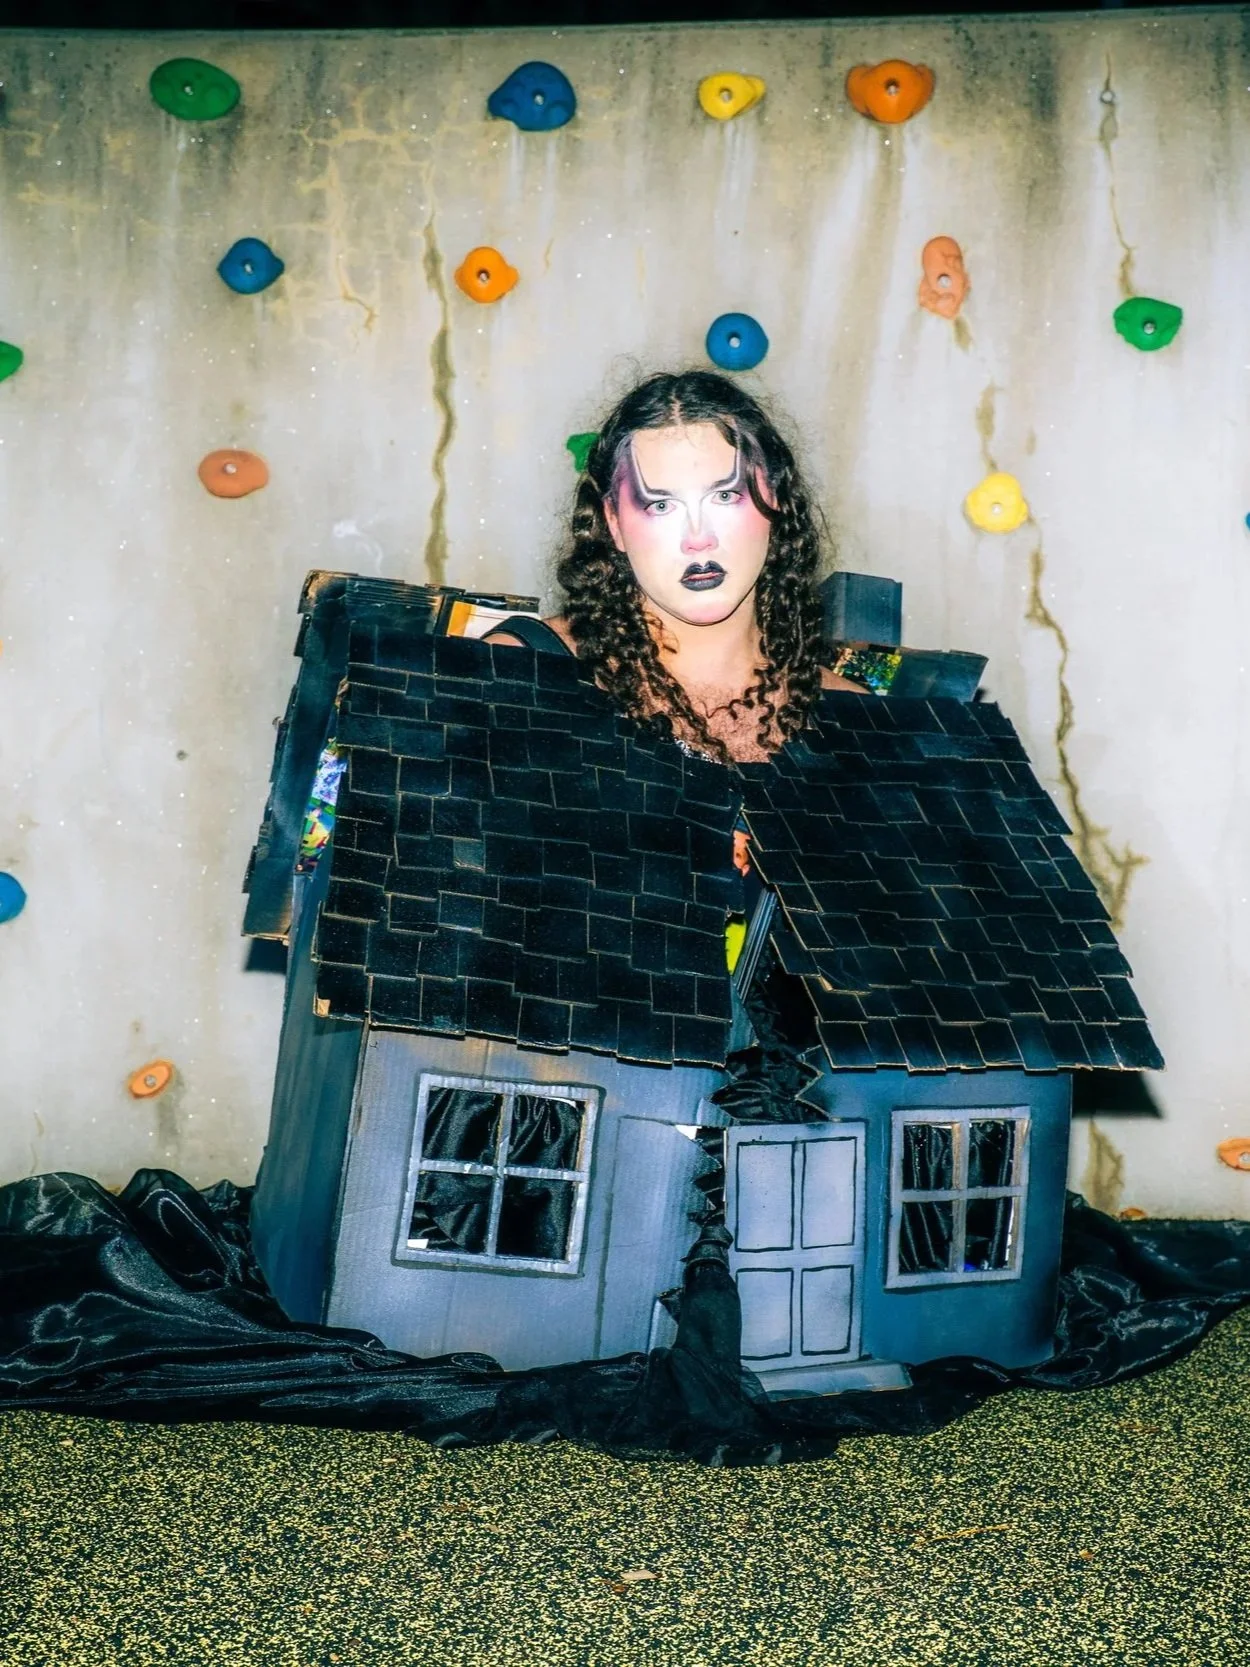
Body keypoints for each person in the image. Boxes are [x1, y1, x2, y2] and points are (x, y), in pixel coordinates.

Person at [484, 369, 866, 766]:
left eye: (725, 495)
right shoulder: (517, 673)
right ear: (613, 523)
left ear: (777, 502)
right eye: (661, 506)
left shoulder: (856, 722)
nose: (698, 538)